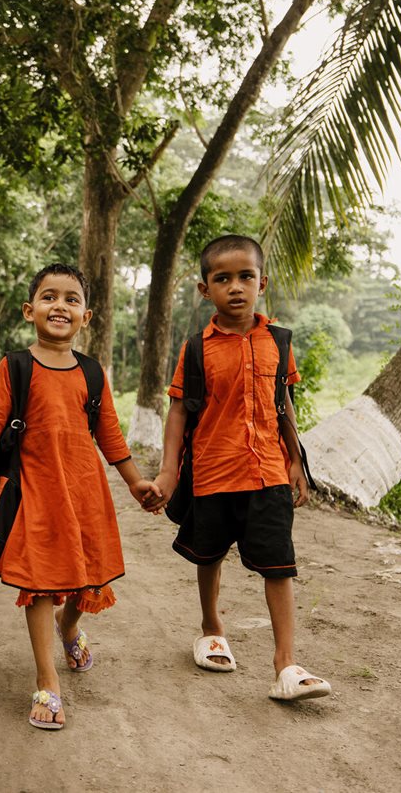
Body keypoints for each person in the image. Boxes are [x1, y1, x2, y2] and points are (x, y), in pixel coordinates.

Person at [0, 263, 160, 730]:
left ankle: (69, 627)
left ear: (87, 317)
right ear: (30, 310)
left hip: (84, 489)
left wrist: (134, 481)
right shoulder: (16, 366)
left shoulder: (91, 372)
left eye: (72, 299)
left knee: (85, 573)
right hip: (36, 491)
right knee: (42, 581)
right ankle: (48, 680)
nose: (60, 306)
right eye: (49, 297)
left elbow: (108, 432)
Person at [150, 234, 331, 701]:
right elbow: (178, 413)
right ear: (204, 289)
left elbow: (282, 403)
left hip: (268, 471)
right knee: (208, 556)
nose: (235, 287)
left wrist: (295, 460)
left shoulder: (278, 342)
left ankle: (286, 664)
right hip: (212, 472)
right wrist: (169, 472)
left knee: (279, 564)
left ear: (262, 282)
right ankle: (212, 628)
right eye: (222, 278)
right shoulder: (195, 350)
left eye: (245, 276)